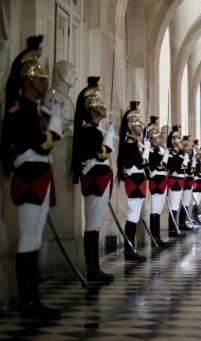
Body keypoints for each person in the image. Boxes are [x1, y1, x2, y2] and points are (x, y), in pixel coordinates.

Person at [1, 36, 63, 320]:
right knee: (27, 239)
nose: (45, 84)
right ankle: (27, 302)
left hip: (39, 176)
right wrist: (53, 128)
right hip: (28, 178)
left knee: (35, 239)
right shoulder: (19, 110)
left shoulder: (35, 111)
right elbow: (40, 143)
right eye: (40, 80)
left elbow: (43, 142)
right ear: (27, 81)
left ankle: (34, 298)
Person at [71, 76, 115, 284]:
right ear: (91, 111)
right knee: (92, 225)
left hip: (100, 178)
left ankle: (95, 268)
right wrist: (108, 141)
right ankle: (92, 269)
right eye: (98, 107)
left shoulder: (96, 130)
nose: (102, 110)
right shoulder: (89, 131)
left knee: (95, 225)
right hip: (95, 179)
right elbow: (99, 155)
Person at [117, 101, 149, 261]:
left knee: (134, 215)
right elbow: (138, 163)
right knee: (132, 215)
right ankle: (129, 250)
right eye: (138, 125)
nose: (141, 127)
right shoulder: (130, 143)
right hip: (134, 179)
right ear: (131, 126)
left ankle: (130, 248)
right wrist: (145, 155)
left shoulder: (135, 143)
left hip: (138, 179)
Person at [145, 122, 171, 248]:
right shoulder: (150, 152)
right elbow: (158, 165)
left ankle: (157, 237)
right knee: (155, 209)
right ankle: (154, 238)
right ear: (153, 139)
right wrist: (164, 155)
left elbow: (166, 166)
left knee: (158, 210)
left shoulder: (160, 151)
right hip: (156, 181)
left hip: (162, 180)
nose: (161, 139)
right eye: (159, 137)